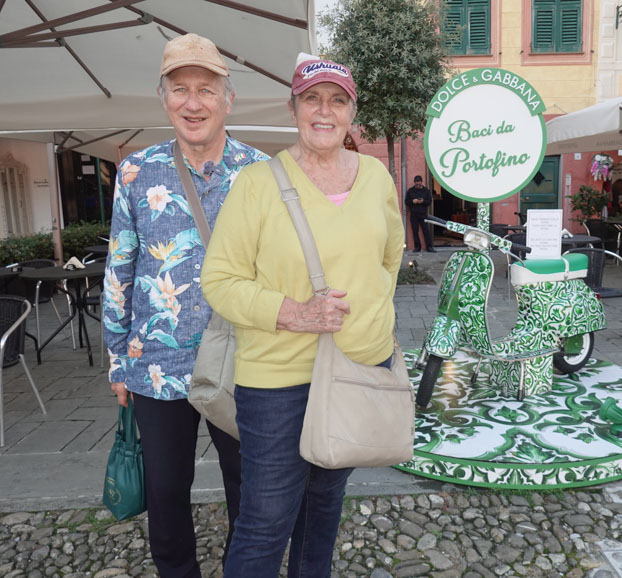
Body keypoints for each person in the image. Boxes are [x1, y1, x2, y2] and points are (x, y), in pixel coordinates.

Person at [200, 55, 404, 576]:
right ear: (293, 109)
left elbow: (390, 258)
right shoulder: (255, 184)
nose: (324, 111)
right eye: (312, 99)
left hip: (357, 371)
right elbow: (219, 281)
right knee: (265, 519)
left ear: (352, 112)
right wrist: (295, 313)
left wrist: (372, 322)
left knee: (323, 505)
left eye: (337, 100)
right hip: (278, 381)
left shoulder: (376, 177)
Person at [102, 33, 268, 577]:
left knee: (248, 482)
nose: (193, 103)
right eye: (180, 89)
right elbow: (120, 270)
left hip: (241, 359)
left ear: (228, 99)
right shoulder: (136, 171)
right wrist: (117, 360)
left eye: (205, 90)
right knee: (166, 488)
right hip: (156, 364)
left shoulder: (261, 172)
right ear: (164, 99)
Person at [405, 175, 435, 252]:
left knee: (426, 231)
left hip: (423, 214)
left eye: (419, 184)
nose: (418, 185)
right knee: (415, 231)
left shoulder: (426, 191)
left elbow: (429, 201)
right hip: (414, 214)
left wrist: (423, 201)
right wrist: (412, 201)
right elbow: (407, 201)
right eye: (416, 184)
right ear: (414, 183)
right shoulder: (410, 191)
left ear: (421, 182)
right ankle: (417, 247)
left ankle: (429, 247)